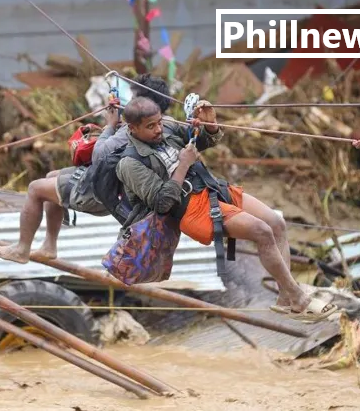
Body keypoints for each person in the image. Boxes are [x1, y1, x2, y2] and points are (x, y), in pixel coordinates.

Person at [113, 96, 338, 320]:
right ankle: (298, 296)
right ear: (132, 128)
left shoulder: (168, 128)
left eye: (159, 122)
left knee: (276, 222)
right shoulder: (129, 163)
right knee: (262, 231)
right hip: (190, 208)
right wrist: (183, 164)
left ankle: (284, 299)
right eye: (150, 126)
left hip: (212, 187)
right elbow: (162, 204)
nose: (158, 129)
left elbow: (203, 141)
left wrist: (210, 125)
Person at [0, 74, 171, 264]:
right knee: (52, 176)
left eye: (135, 99)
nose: (131, 103)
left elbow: (99, 156)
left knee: (35, 188)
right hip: (111, 185)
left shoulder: (134, 129)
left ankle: (22, 249)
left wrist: (110, 126)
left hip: (100, 191)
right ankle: (49, 246)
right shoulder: (163, 125)